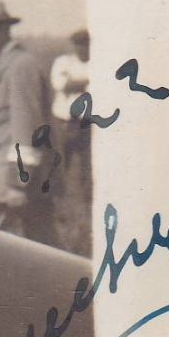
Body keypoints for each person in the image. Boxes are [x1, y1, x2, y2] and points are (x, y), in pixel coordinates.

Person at [0, 0, 55, 244]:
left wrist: (18, 183)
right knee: (42, 248)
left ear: (2, 30)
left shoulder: (20, 66)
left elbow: (26, 127)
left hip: (6, 180)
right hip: (1, 176)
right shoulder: (1, 67)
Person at [49, 27, 93, 255]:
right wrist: (85, 82)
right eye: (78, 44)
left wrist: (77, 82)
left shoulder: (96, 63)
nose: (81, 48)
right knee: (59, 164)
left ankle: (85, 202)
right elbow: (60, 84)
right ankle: (59, 203)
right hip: (64, 121)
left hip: (85, 122)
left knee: (86, 166)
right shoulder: (63, 62)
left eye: (85, 44)